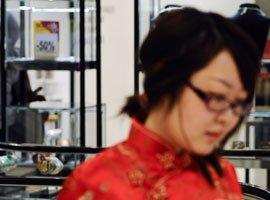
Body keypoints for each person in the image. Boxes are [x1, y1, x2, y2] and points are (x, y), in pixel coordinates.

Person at [58, 8, 259, 199]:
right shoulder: (93, 184)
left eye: (239, 104)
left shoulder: (221, 175)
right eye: (216, 97)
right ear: (167, 78)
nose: (228, 118)